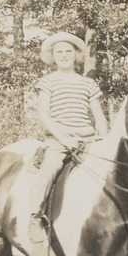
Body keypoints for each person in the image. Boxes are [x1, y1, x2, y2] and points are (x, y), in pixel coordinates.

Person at [29, 32, 108, 243]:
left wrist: (104, 138)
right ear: (52, 57)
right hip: (59, 138)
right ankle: (36, 214)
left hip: (87, 138)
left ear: (76, 55)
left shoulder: (88, 84)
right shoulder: (48, 82)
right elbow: (44, 115)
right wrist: (63, 138)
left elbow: (99, 116)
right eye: (59, 52)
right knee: (52, 166)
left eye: (68, 51)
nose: (64, 55)